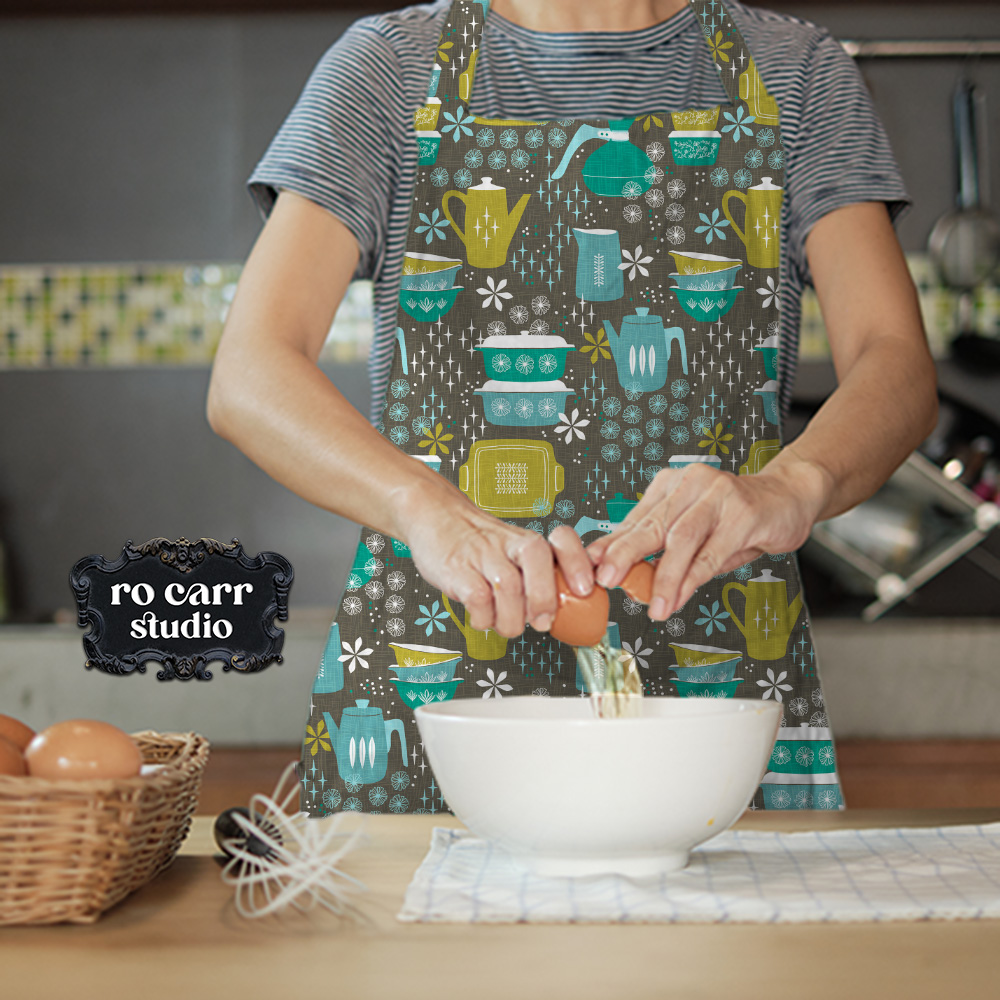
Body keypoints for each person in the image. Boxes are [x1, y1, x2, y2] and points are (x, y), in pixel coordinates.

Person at [208, 0, 937, 814]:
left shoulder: (796, 71)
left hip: (720, 675)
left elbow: (896, 365)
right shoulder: (390, 68)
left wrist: (789, 487)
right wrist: (426, 509)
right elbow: (250, 373)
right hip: (437, 673)